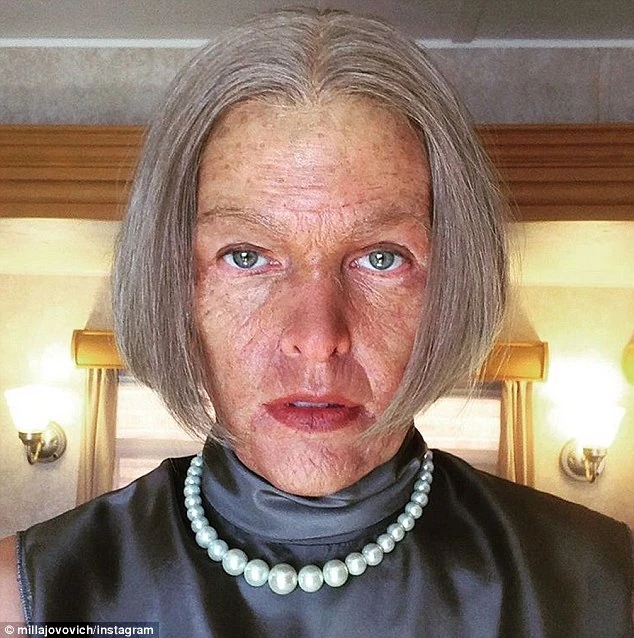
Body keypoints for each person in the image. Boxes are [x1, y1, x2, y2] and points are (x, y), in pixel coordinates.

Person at [1, 8, 632, 636]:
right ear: (176, 286)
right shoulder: (27, 599)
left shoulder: (602, 585)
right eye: (246, 256)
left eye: (381, 258)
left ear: (449, 284)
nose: (317, 338)